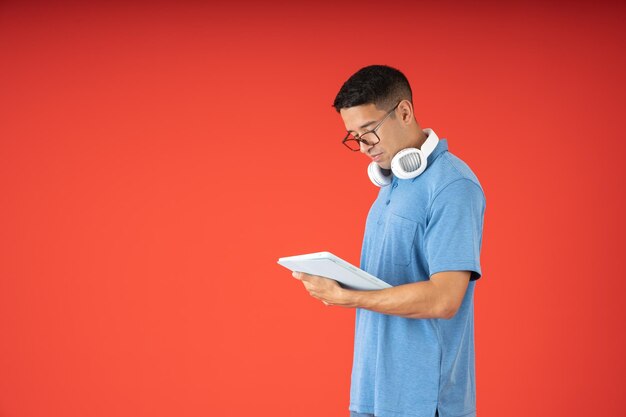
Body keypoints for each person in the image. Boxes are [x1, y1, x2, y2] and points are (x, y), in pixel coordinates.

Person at [292, 65, 486, 417]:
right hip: (372, 393)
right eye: (354, 136)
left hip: (424, 402)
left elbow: (445, 299)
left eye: (369, 132)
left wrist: (349, 296)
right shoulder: (392, 185)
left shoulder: (453, 186)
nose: (364, 147)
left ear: (405, 112)